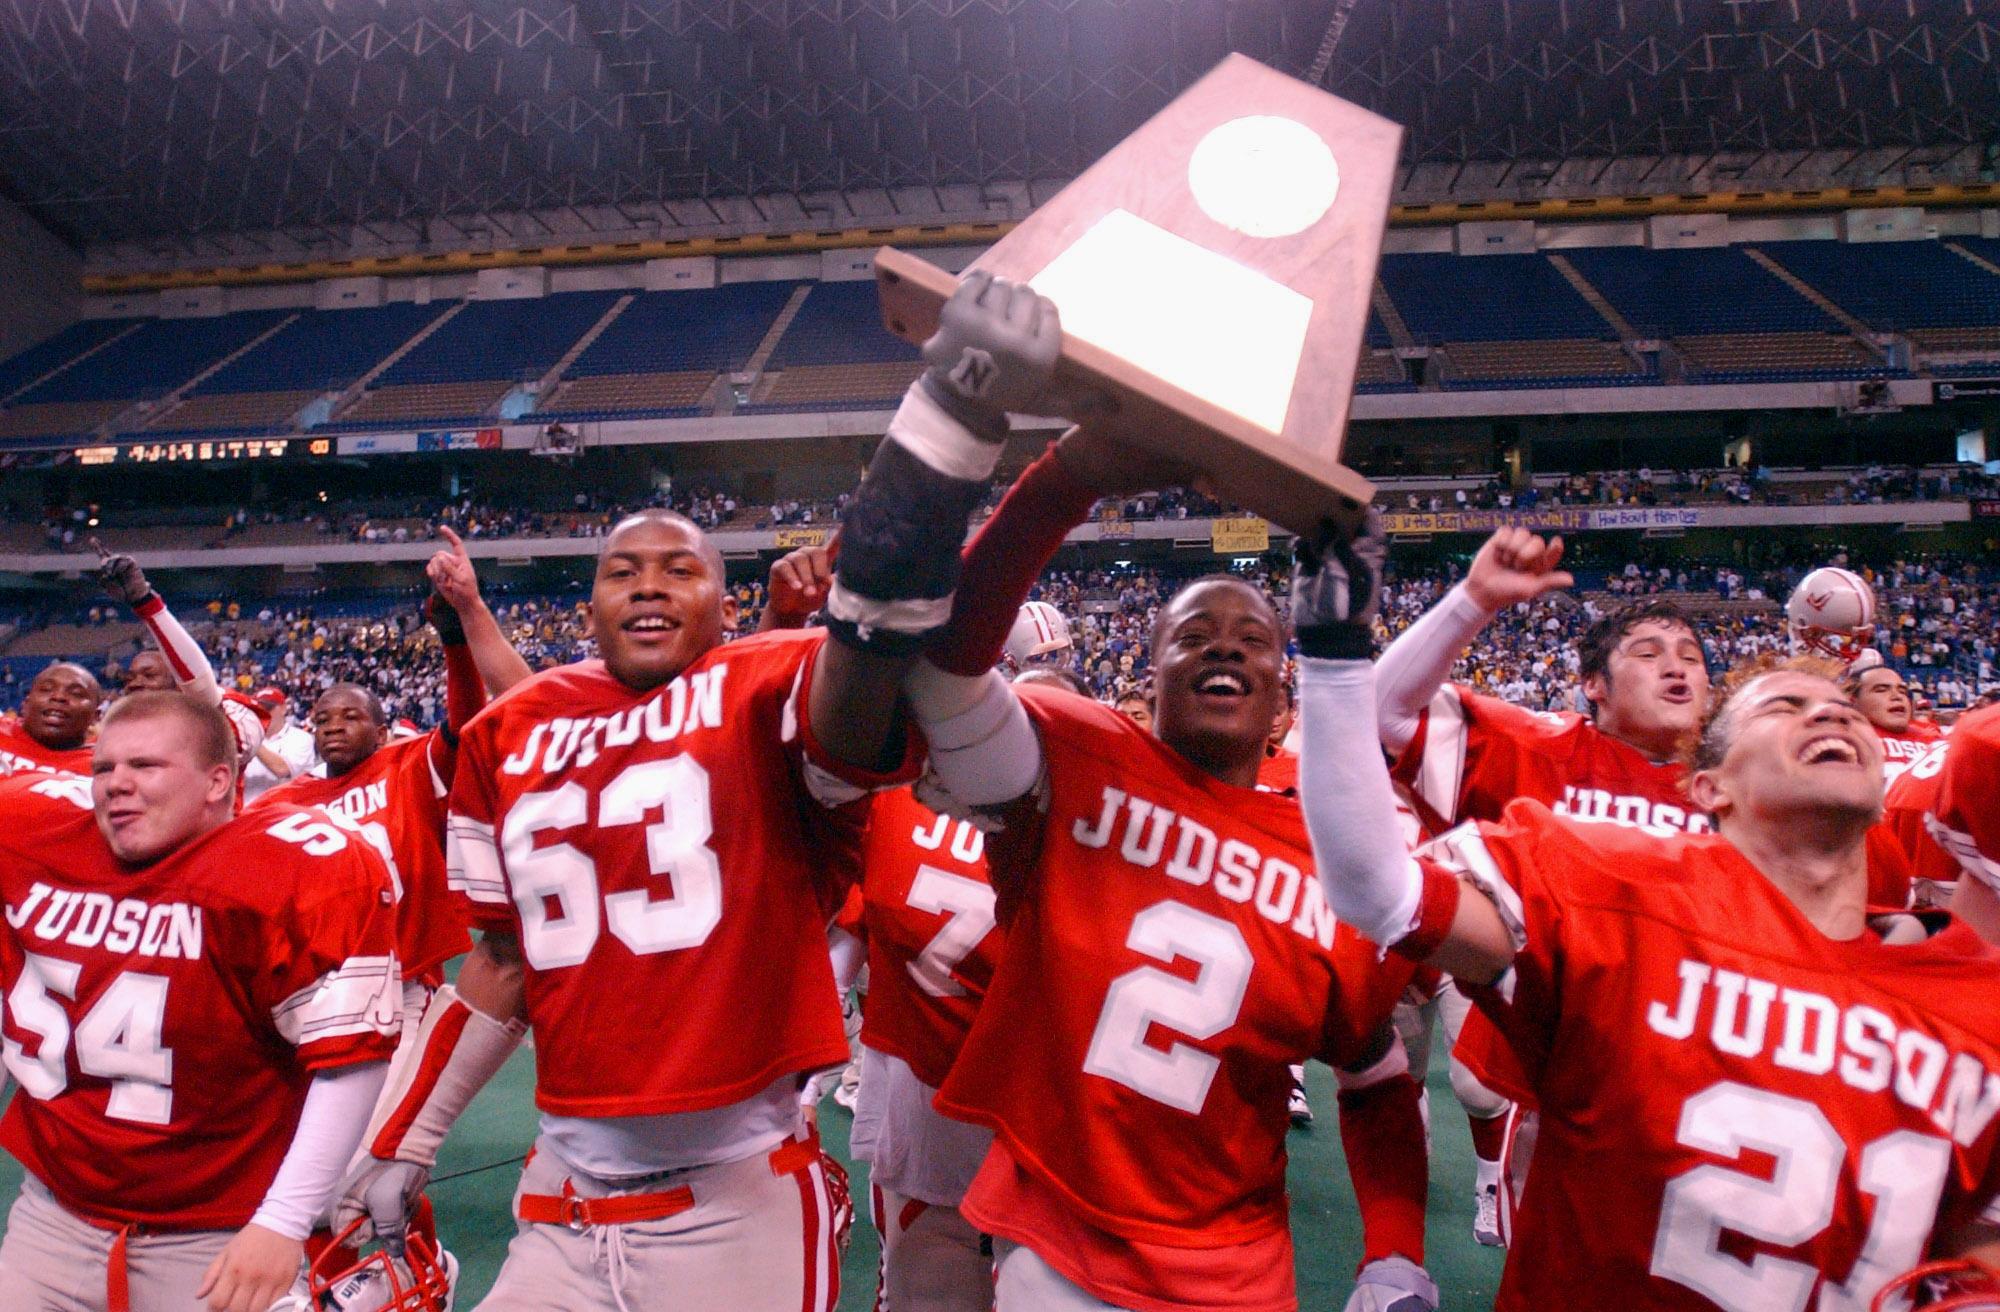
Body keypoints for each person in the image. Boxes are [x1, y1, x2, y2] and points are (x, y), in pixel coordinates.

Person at [331, 278, 1062, 1312]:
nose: (645, 583)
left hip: (737, 1189)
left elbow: (868, 644)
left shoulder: (760, 685)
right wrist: (408, 1132)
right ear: (585, 601)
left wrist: (945, 423)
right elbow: (501, 962)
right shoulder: (511, 730)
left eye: (678, 569)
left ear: (724, 604)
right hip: (562, 1186)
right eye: (621, 568)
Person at [826, 282, 1437, 1312]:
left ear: (1283, 688)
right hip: (1055, 1237)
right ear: (1143, 674)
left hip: (1234, 1262)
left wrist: (1391, 1246)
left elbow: (1374, 1074)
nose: (1223, 650)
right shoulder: (1074, 757)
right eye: (1192, 636)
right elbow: (946, 664)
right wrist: (1069, 477)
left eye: (1251, 639)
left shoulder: (1341, 856)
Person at [1294, 522, 2000, 1311]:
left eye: (1842, 709)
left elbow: (1967, 1228)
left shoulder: (1955, 987)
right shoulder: (1594, 862)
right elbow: (1378, 880)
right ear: (1713, 791)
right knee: (1486, 1091)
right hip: (1552, 1027)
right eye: (1787, 707)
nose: (1830, 717)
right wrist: (1348, 647)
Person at [0, 691, 402, 1312]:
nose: (116, 785)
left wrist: (282, 1222)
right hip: (53, 1214)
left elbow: (351, 1061)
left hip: (211, 1234)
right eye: (104, 768)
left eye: (146, 767)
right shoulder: (31, 834)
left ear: (219, 781)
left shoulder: (289, 868)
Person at [0, 662, 101, 778]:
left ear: (95, 716)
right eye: (46, 689)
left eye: (76, 694)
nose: (58, 697)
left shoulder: (103, 768)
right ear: (25, 705)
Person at [240, 689, 316, 805]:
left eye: (267, 708)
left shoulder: (301, 738)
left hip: (286, 814)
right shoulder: (245, 739)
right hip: (248, 812)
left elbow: (282, 769)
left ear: (283, 709)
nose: (262, 713)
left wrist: (252, 738)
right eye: (257, 709)